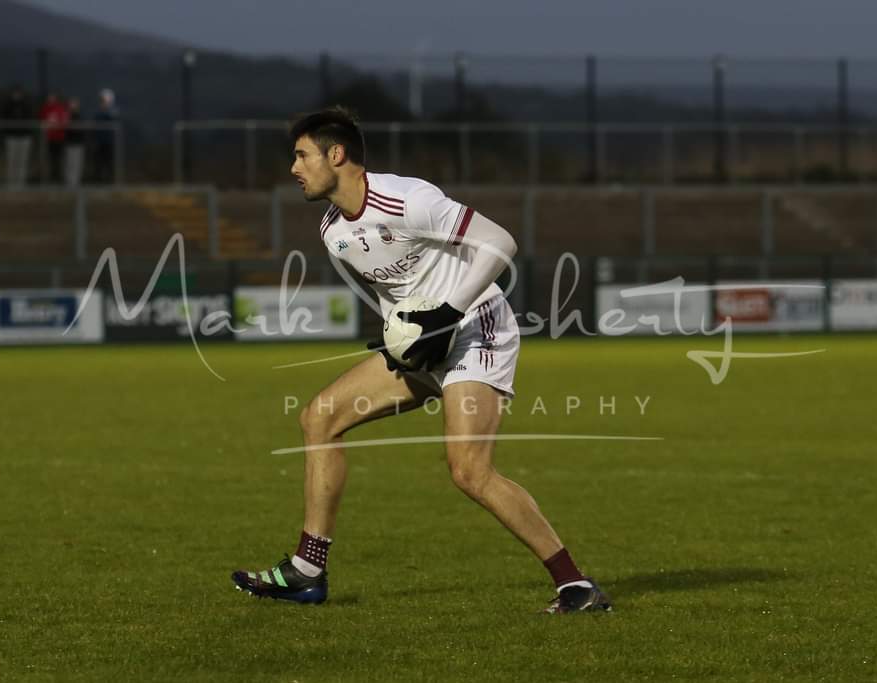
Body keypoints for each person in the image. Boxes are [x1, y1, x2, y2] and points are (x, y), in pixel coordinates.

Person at [231, 107, 611, 614]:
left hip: (476, 329)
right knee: (319, 418)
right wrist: (402, 337)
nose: (293, 168)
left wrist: (447, 314)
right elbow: (396, 295)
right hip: (424, 349)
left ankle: (575, 586)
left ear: (336, 154)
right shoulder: (332, 231)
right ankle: (307, 570)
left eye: (302, 155)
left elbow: (501, 243)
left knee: (469, 471)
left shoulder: (407, 198)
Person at [0, 85, 33, 187]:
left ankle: (21, 183)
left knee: (22, 161)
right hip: (11, 137)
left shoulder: (26, 105)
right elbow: (3, 119)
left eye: (18, 93)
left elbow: (30, 119)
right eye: (15, 93)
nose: (17, 95)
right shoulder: (8, 105)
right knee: (11, 161)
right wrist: (6, 132)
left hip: (24, 137)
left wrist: (29, 133)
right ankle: (11, 183)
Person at [38, 92, 68, 183]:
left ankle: (58, 178)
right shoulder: (45, 108)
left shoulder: (60, 108)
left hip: (59, 138)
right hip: (48, 138)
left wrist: (57, 125)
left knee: (59, 159)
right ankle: (47, 179)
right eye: (49, 98)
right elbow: (41, 121)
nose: (51, 99)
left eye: (52, 97)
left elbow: (64, 122)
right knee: (48, 159)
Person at [93, 88, 119, 183]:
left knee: (109, 162)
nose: (103, 101)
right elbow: (96, 121)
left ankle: (110, 180)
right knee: (99, 162)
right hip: (100, 141)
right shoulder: (99, 112)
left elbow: (113, 118)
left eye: (104, 99)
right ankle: (99, 180)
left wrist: (107, 110)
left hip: (109, 142)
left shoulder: (113, 112)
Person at [63, 97, 86, 187]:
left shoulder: (79, 116)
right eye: (71, 104)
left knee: (76, 164)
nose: (72, 105)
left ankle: (75, 183)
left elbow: (80, 130)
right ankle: (69, 182)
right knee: (69, 163)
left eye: (74, 104)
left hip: (78, 143)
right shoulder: (67, 115)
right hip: (69, 142)